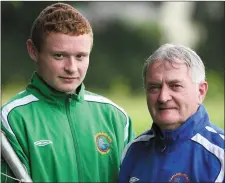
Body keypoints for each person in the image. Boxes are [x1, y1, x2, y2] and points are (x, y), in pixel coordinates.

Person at [1, 2, 135, 182]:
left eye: (80, 56)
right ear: (33, 51)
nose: (71, 68)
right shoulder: (12, 119)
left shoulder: (115, 117)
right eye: (59, 55)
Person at [119, 43, 224, 183]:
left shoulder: (220, 153)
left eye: (175, 86)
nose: (163, 97)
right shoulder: (133, 150)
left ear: (201, 91)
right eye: (154, 87)